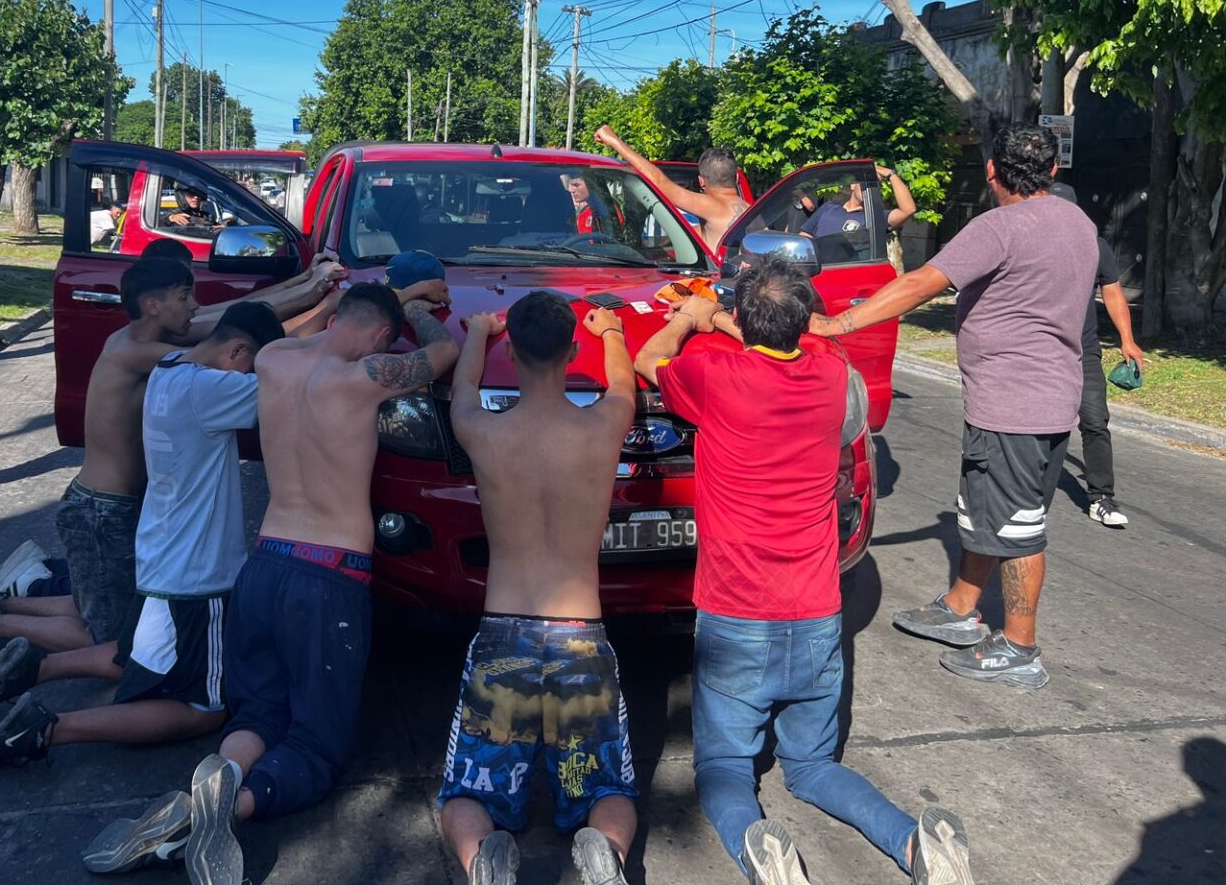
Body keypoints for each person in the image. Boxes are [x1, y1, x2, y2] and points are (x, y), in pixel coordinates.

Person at [635, 255, 975, 885]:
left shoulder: (712, 373)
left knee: (725, 770)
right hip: (817, 612)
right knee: (814, 767)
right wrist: (728, 315)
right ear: (807, 321)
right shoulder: (830, 371)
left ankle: (757, 847)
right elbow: (784, 341)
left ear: (741, 316)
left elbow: (646, 362)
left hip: (736, 614)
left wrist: (689, 317)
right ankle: (913, 844)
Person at [0, 246, 349, 655]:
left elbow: (237, 316)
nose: (195, 307)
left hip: (120, 508)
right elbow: (237, 337)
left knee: (117, 607)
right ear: (153, 305)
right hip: (101, 511)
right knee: (111, 637)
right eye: (186, 297)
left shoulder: (153, 338)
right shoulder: (142, 353)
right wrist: (325, 308)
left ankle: (0, 601)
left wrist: (308, 284)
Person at [179, 280, 459, 885]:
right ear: (382, 336)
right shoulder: (368, 376)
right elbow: (443, 353)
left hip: (266, 561)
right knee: (314, 744)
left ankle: (224, 770)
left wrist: (332, 305)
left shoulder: (274, 358)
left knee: (260, 709)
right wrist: (419, 311)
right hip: (329, 576)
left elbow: (306, 332)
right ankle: (236, 806)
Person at [811, 126, 1097, 689]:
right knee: (981, 510)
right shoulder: (1078, 223)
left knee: (1017, 526)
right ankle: (962, 606)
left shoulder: (998, 227)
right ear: (1053, 172)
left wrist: (838, 321)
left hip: (1015, 407)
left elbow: (921, 282)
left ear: (992, 172)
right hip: (1045, 397)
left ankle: (1019, 647)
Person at [0, 302, 288, 770]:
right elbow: (298, 383)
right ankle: (49, 729)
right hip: (198, 580)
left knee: (132, 652)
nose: (248, 379)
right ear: (238, 351)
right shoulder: (210, 390)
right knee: (205, 708)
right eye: (250, 367)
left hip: (160, 557)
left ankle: (34, 670)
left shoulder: (170, 367)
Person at [439, 293, 638, 885]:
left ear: (514, 354)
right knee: (604, 785)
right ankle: (607, 855)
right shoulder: (605, 425)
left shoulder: (481, 430)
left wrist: (479, 331)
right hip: (582, 638)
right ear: (571, 350)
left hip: (505, 635)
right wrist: (612, 333)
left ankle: (483, 862)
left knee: (469, 792)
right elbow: (625, 383)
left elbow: (463, 389)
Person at [1050, 183, 1144, 528]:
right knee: (1027, 423)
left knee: (1094, 421)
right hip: (1039, 351)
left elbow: (1114, 294)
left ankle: (1101, 498)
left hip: (1083, 350)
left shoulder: (1094, 246)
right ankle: (999, 488)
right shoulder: (1032, 245)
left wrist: (1127, 340)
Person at [594, 125, 749, 245]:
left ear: (701, 181)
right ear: (736, 177)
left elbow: (660, 183)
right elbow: (698, 236)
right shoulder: (754, 214)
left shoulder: (711, 207)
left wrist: (614, 140)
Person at [801, 164, 917, 237]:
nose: (869, 189)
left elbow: (908, 210)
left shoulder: (875, 216)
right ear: (853, 185)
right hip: (818, 271)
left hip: (851, 271)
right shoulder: (829, 207)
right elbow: (805, 236)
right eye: (865, 185)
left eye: (875, 186)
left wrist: (891, 175)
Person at [563, 170, 611, 234]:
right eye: (570, 185)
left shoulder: (607, 209)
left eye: (576, 185)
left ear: (590, 185)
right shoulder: (584, 212)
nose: (571, 190)